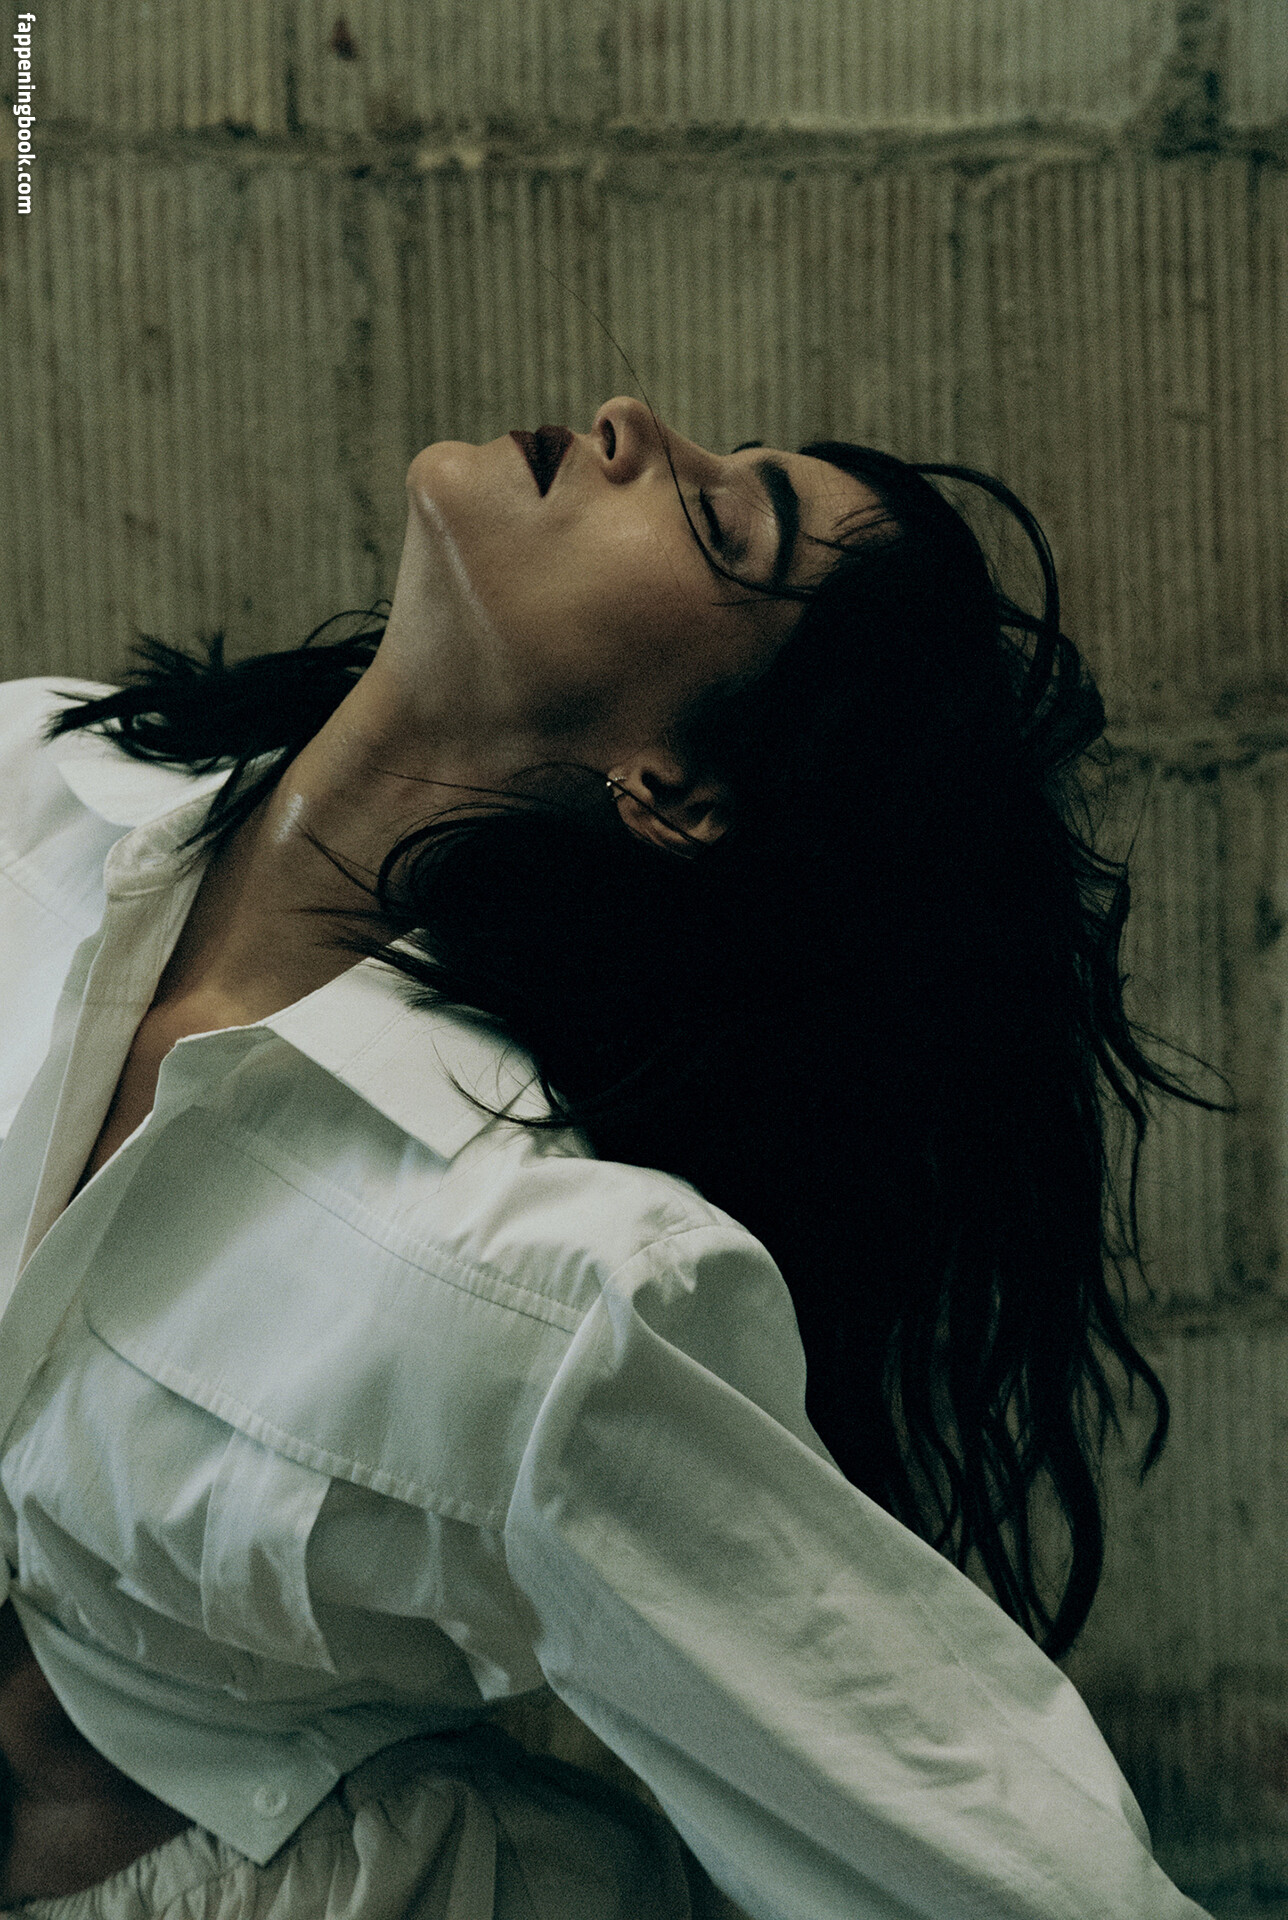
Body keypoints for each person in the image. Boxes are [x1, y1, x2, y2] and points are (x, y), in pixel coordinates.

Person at [0, 396, 1216, 1917]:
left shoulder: (555, 1288)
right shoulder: (27, 785)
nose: (633, 419)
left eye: (722, 524)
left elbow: (1017, 1871)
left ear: (673, 789)